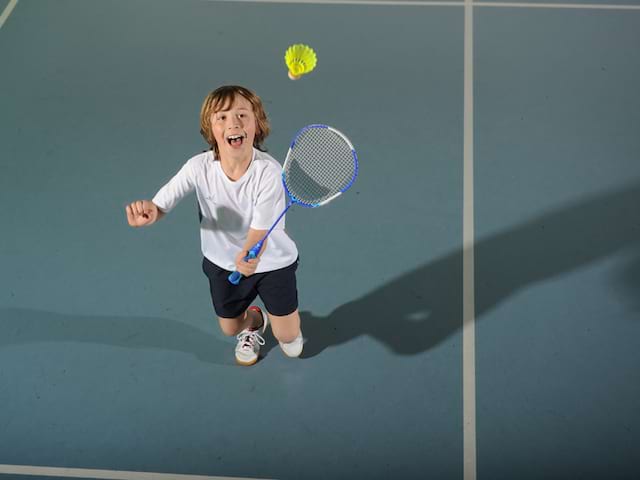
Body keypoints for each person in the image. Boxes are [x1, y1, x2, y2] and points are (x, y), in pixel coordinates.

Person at [125, 85, 303, 366]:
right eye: (222, 117)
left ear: (257, 125)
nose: (233, 122)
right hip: (222, 262)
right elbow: (163, 202)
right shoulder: (198, 167)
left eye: (243, 115)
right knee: (230, 328)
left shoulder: (268, 172)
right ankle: (255, 321)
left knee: (289, 339)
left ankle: (285, 326)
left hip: (271, 262)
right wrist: (151, 210)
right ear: (211, 129)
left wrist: (250, 252)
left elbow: (259, 231)